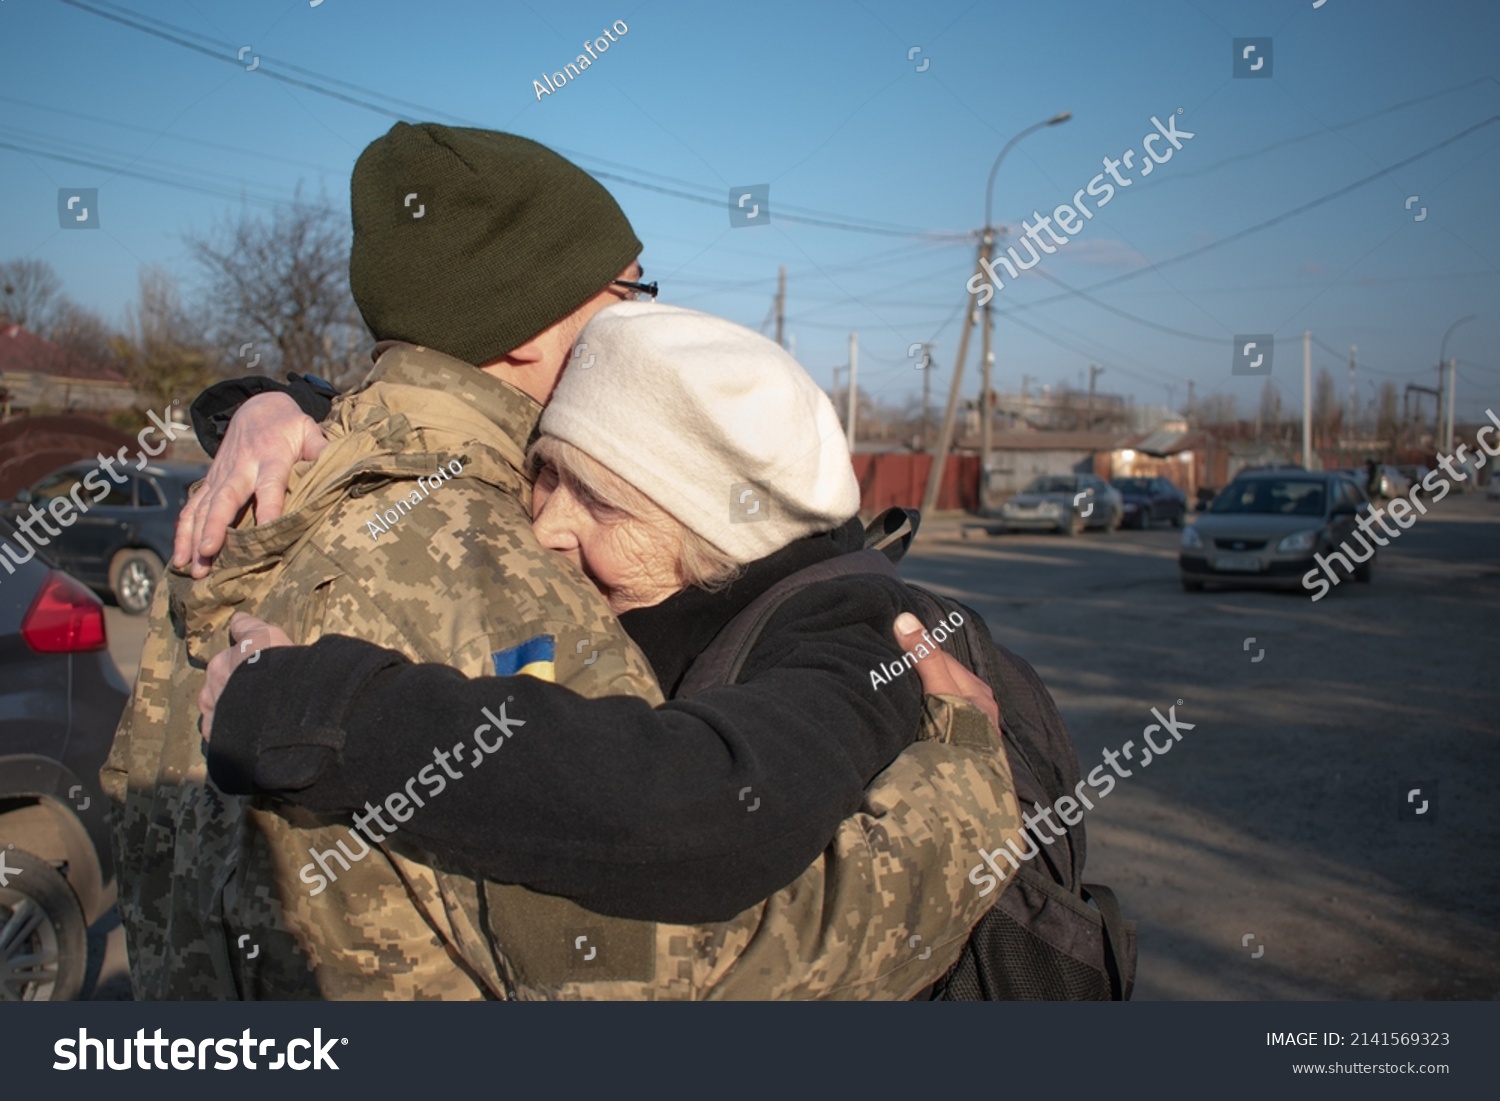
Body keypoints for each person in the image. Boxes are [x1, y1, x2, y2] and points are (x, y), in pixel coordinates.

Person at [105, 122, 1020, 1001]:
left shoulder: (247, 508)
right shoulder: (501, 583)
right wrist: (968, 798)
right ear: (526, 326)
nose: (642, 319)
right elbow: (698, 982)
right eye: (627, 294)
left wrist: (265, 399)